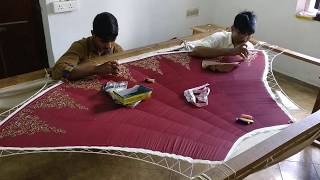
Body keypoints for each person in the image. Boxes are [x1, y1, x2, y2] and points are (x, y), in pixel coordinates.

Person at [51, 12, 123, 80]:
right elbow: (58, 71)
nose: (109, 46)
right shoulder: (80, 47)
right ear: (93, 34)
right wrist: (96, 69)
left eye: (113, 39)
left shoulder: (116, 49)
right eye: (103, 41)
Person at [191, 11, 256, 59]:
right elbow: (196, 50)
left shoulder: (249, 47)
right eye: (240, 33)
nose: (244, 38)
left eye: (249, 34)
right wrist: (232, 51)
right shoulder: (220, 37)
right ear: (232, 28)